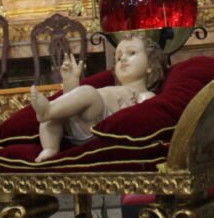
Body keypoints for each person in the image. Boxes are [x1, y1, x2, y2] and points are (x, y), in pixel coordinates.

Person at [32, 33, 167, 161]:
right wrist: (70, 82)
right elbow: (75, 101)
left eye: (132, 53)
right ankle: (50, 148)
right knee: (55, 116)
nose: (123, 59)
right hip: (81, 118)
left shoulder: (143, 94)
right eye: (118, 58)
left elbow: (146, 116)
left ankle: (47, 111)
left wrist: (129, 112)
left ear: (150, 65)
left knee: (87, 93)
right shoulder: (113, 87)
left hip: (97, 123)